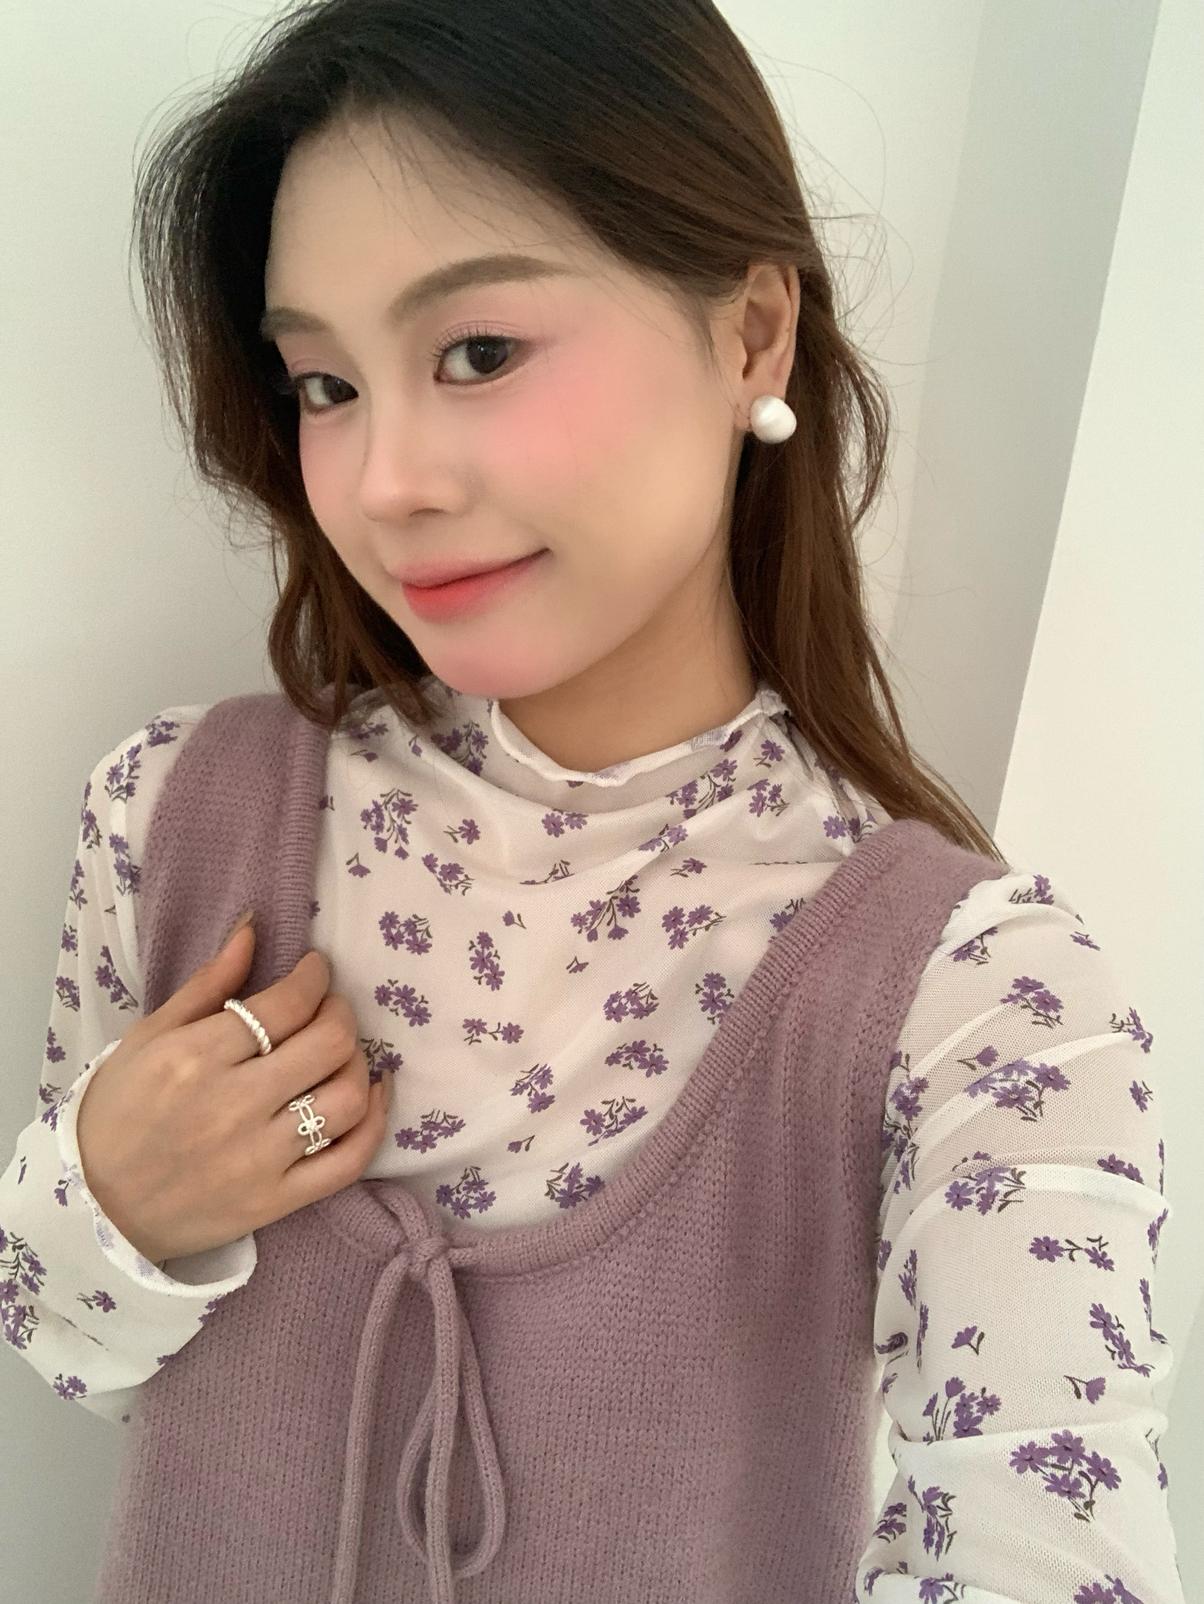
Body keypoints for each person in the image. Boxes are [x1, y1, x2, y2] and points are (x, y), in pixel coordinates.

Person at [1, 2, 1183, 1601]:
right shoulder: (171, 817)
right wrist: (110, 1198)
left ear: (751, 335)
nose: (385, 482)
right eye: (324, 384)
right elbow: (69, 1358)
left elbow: (1049, 1529)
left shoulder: (977, 1002)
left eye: (478, 353)